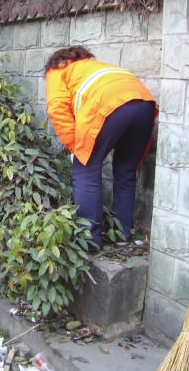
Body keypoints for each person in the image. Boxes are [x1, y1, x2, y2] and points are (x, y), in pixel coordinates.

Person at [45, 46, 158, 247]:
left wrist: (73, 147)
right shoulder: (95, 67)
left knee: (85, 167)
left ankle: (86, 241)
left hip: (111, 104)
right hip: (145, 104)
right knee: (125, 170)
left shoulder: (58, 70)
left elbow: (57, 108)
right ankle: (123, 234)